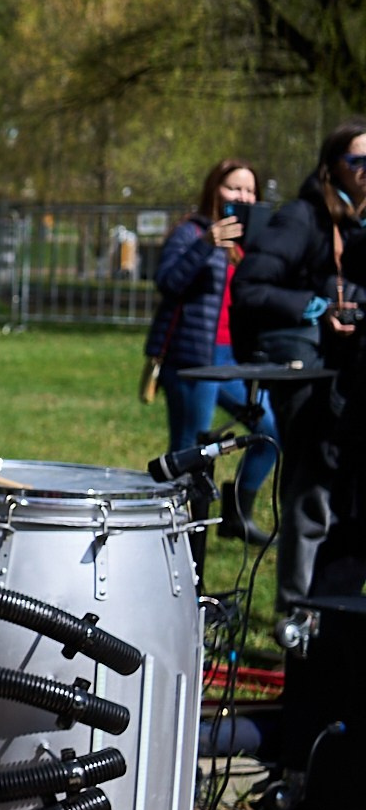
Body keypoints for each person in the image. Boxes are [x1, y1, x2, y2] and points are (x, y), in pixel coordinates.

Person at [231, 121, 366, 603]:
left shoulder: (358, 224)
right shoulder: (302, 217)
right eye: (358, 161)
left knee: (346, 495)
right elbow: (249, 286)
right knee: (312, 487)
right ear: (333, 167)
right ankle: (298, 612)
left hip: (350, 372)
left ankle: (331, 608)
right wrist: (317, 307)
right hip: (305, 369)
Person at [149, 158, 279, 542]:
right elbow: (167, 282)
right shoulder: (190, 232)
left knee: (270, 432)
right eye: (234, 188)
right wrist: (205, 245)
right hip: (193, 357)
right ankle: (169, 533)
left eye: (250, 190)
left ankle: (237, 512)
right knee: (188, 450)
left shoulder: (250, 243)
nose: (243, 196)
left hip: (233, 358)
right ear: (214, 190)